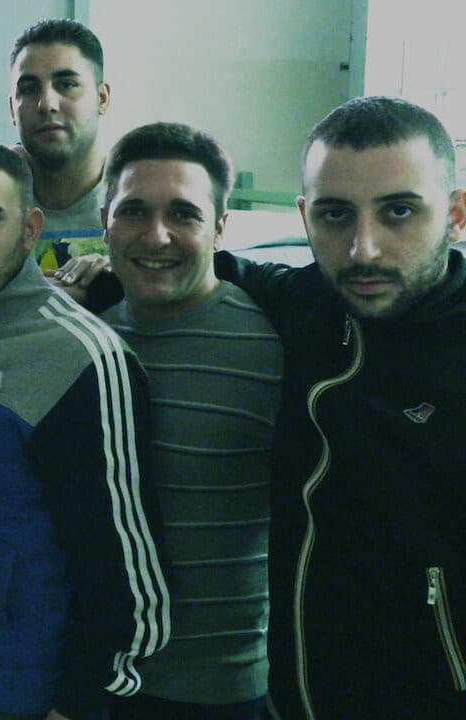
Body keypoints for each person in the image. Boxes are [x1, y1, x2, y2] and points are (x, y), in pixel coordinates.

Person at [209, 96, 466, 719]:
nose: (362, 250)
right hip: (299, 697)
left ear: (456, 215)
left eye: (399, 211)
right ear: (305, 216)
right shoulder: (309, 303)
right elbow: (204, 267)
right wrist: (99, 275)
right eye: (335, 215)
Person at [0, 139, 170, 720]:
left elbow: (131, 578)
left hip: (26, 689)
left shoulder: (84, 357)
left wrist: (79, 701)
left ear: (29, 229)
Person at [98, 123, 281, 720]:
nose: (157, 235)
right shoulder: (84, 341)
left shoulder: (276, 348)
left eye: (184, 213)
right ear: (104, 222)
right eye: (133, 211)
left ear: (221, 228)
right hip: (94, 681)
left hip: (222, 693)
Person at [9, 19, 111, 272]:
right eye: (29, 88)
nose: (47, 104)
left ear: (102, 99)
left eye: (66, 85)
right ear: (12, 109)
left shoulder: (141, 199)